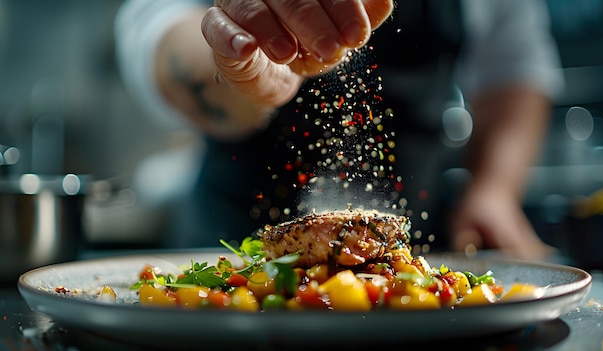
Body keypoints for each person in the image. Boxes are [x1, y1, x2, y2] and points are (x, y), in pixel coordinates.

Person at [115, 0, 563, 260]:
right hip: (230, 257)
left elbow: (515, 66)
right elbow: (158, 37)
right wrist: (244, 71)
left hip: (419, 259)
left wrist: (493, 190)